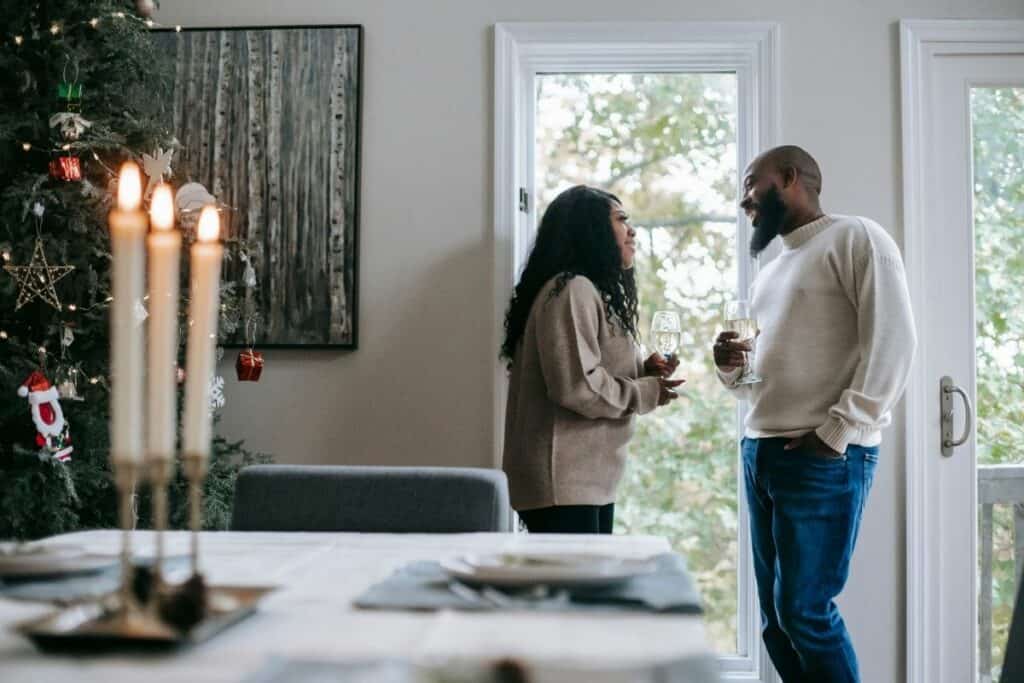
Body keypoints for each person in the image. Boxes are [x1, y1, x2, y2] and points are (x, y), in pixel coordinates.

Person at [714, 146, 916, 683]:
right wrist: (731, 368)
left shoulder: (858, 238)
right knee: (776, 624)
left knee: (805, 613)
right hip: (763, 451)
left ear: (790, 177)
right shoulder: (771, 271)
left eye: (751, 183)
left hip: (821, 455)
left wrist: (838, 433)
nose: (743, 201)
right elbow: (758, 380)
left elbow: (894, 342)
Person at [500, 185, 682, 534]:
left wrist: (644, 371)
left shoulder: (584, 291)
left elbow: (587, 369)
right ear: (592, 229)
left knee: (578, 588)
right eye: (621, 220)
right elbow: (577, 387)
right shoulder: (573, 289)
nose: (632, 230)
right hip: (563, 482)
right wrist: (646, 392)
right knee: (575, 588)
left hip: (582, 481)